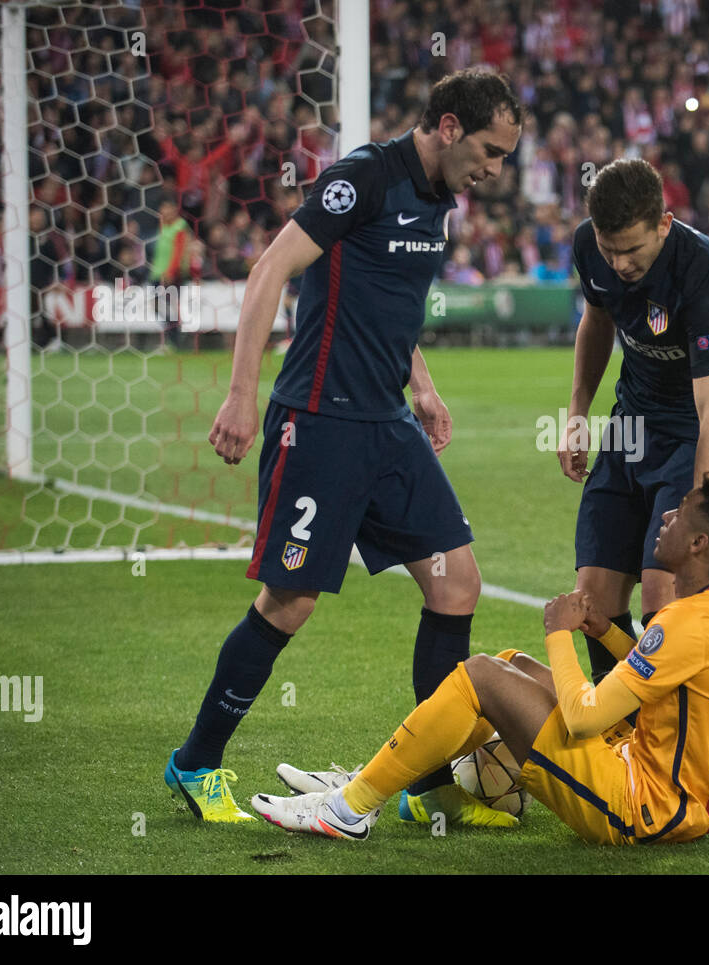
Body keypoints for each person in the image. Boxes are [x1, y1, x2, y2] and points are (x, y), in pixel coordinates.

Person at [163, 69, 523, 824]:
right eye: (491, 150)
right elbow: (270, 272)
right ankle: (195, 764)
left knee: (457, 583)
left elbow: (391, 301)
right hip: (319, 422)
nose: (497, 169)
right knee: (289, 601)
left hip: (387, 424)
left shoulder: (440, 202)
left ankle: (427, 790)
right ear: (451, 126)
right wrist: (240, 391)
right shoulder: (362, 179)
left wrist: (420, 381)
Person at [251, 470, 709, 846]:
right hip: (685, 798)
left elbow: (585, 717)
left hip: (644, 807)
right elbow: (669, 679)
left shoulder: (684, 621)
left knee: (481, 673)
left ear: (700, 543)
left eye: (680, 512)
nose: (668, 516)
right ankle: (373, 780)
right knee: (510, 663)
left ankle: (349, 810)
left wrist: (561, 634)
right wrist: (605, 632)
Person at [558, 158, 709, 686]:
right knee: (592, 599)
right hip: (632, 421)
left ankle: (672, 728)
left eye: (633, 250)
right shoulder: (586, 247)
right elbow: (596, 321)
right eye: (609, 248)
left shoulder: (706, 273)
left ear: (664, 223)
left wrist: (701, 510)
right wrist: (578, 412)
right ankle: (620, 729)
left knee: (664, 591)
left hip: (695, 428)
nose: (619, 263)